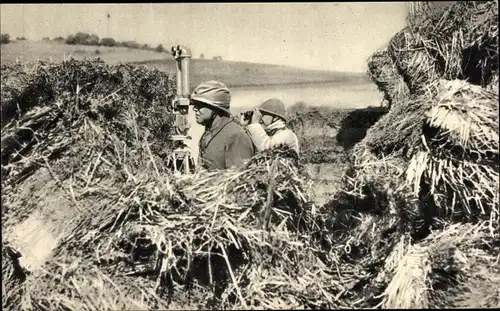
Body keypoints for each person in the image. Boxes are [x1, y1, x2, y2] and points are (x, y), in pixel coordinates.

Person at [190, 80, 255, 170]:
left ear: (215, 108)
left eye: (200, 105)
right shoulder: (210, 131)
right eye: (195, 105)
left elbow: (237, 179)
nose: (195, 109)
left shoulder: (236, 136)